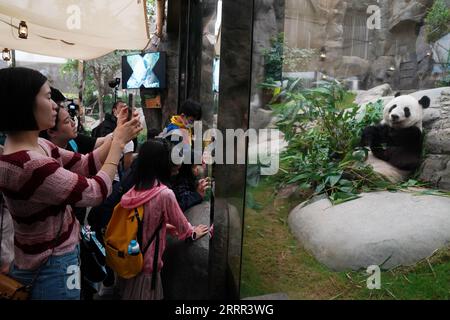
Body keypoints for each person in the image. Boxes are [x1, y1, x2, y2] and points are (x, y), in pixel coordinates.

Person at [0, 67, 142, 300]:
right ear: (25, 104)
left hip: (44, 260)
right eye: (48, 97)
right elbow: (96, 191)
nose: (56, 105)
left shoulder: (36, 148)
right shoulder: (30, 165)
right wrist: (118, 145)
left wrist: (118, 133)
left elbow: (85, 164)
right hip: (53, 268)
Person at [119, 139, 209, 300]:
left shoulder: (136, 188)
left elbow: (143, 219)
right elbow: (182, 224)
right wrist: (192, 232)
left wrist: (162, 225)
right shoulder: (164, 193)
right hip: (148, 266)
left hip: (130, 260)